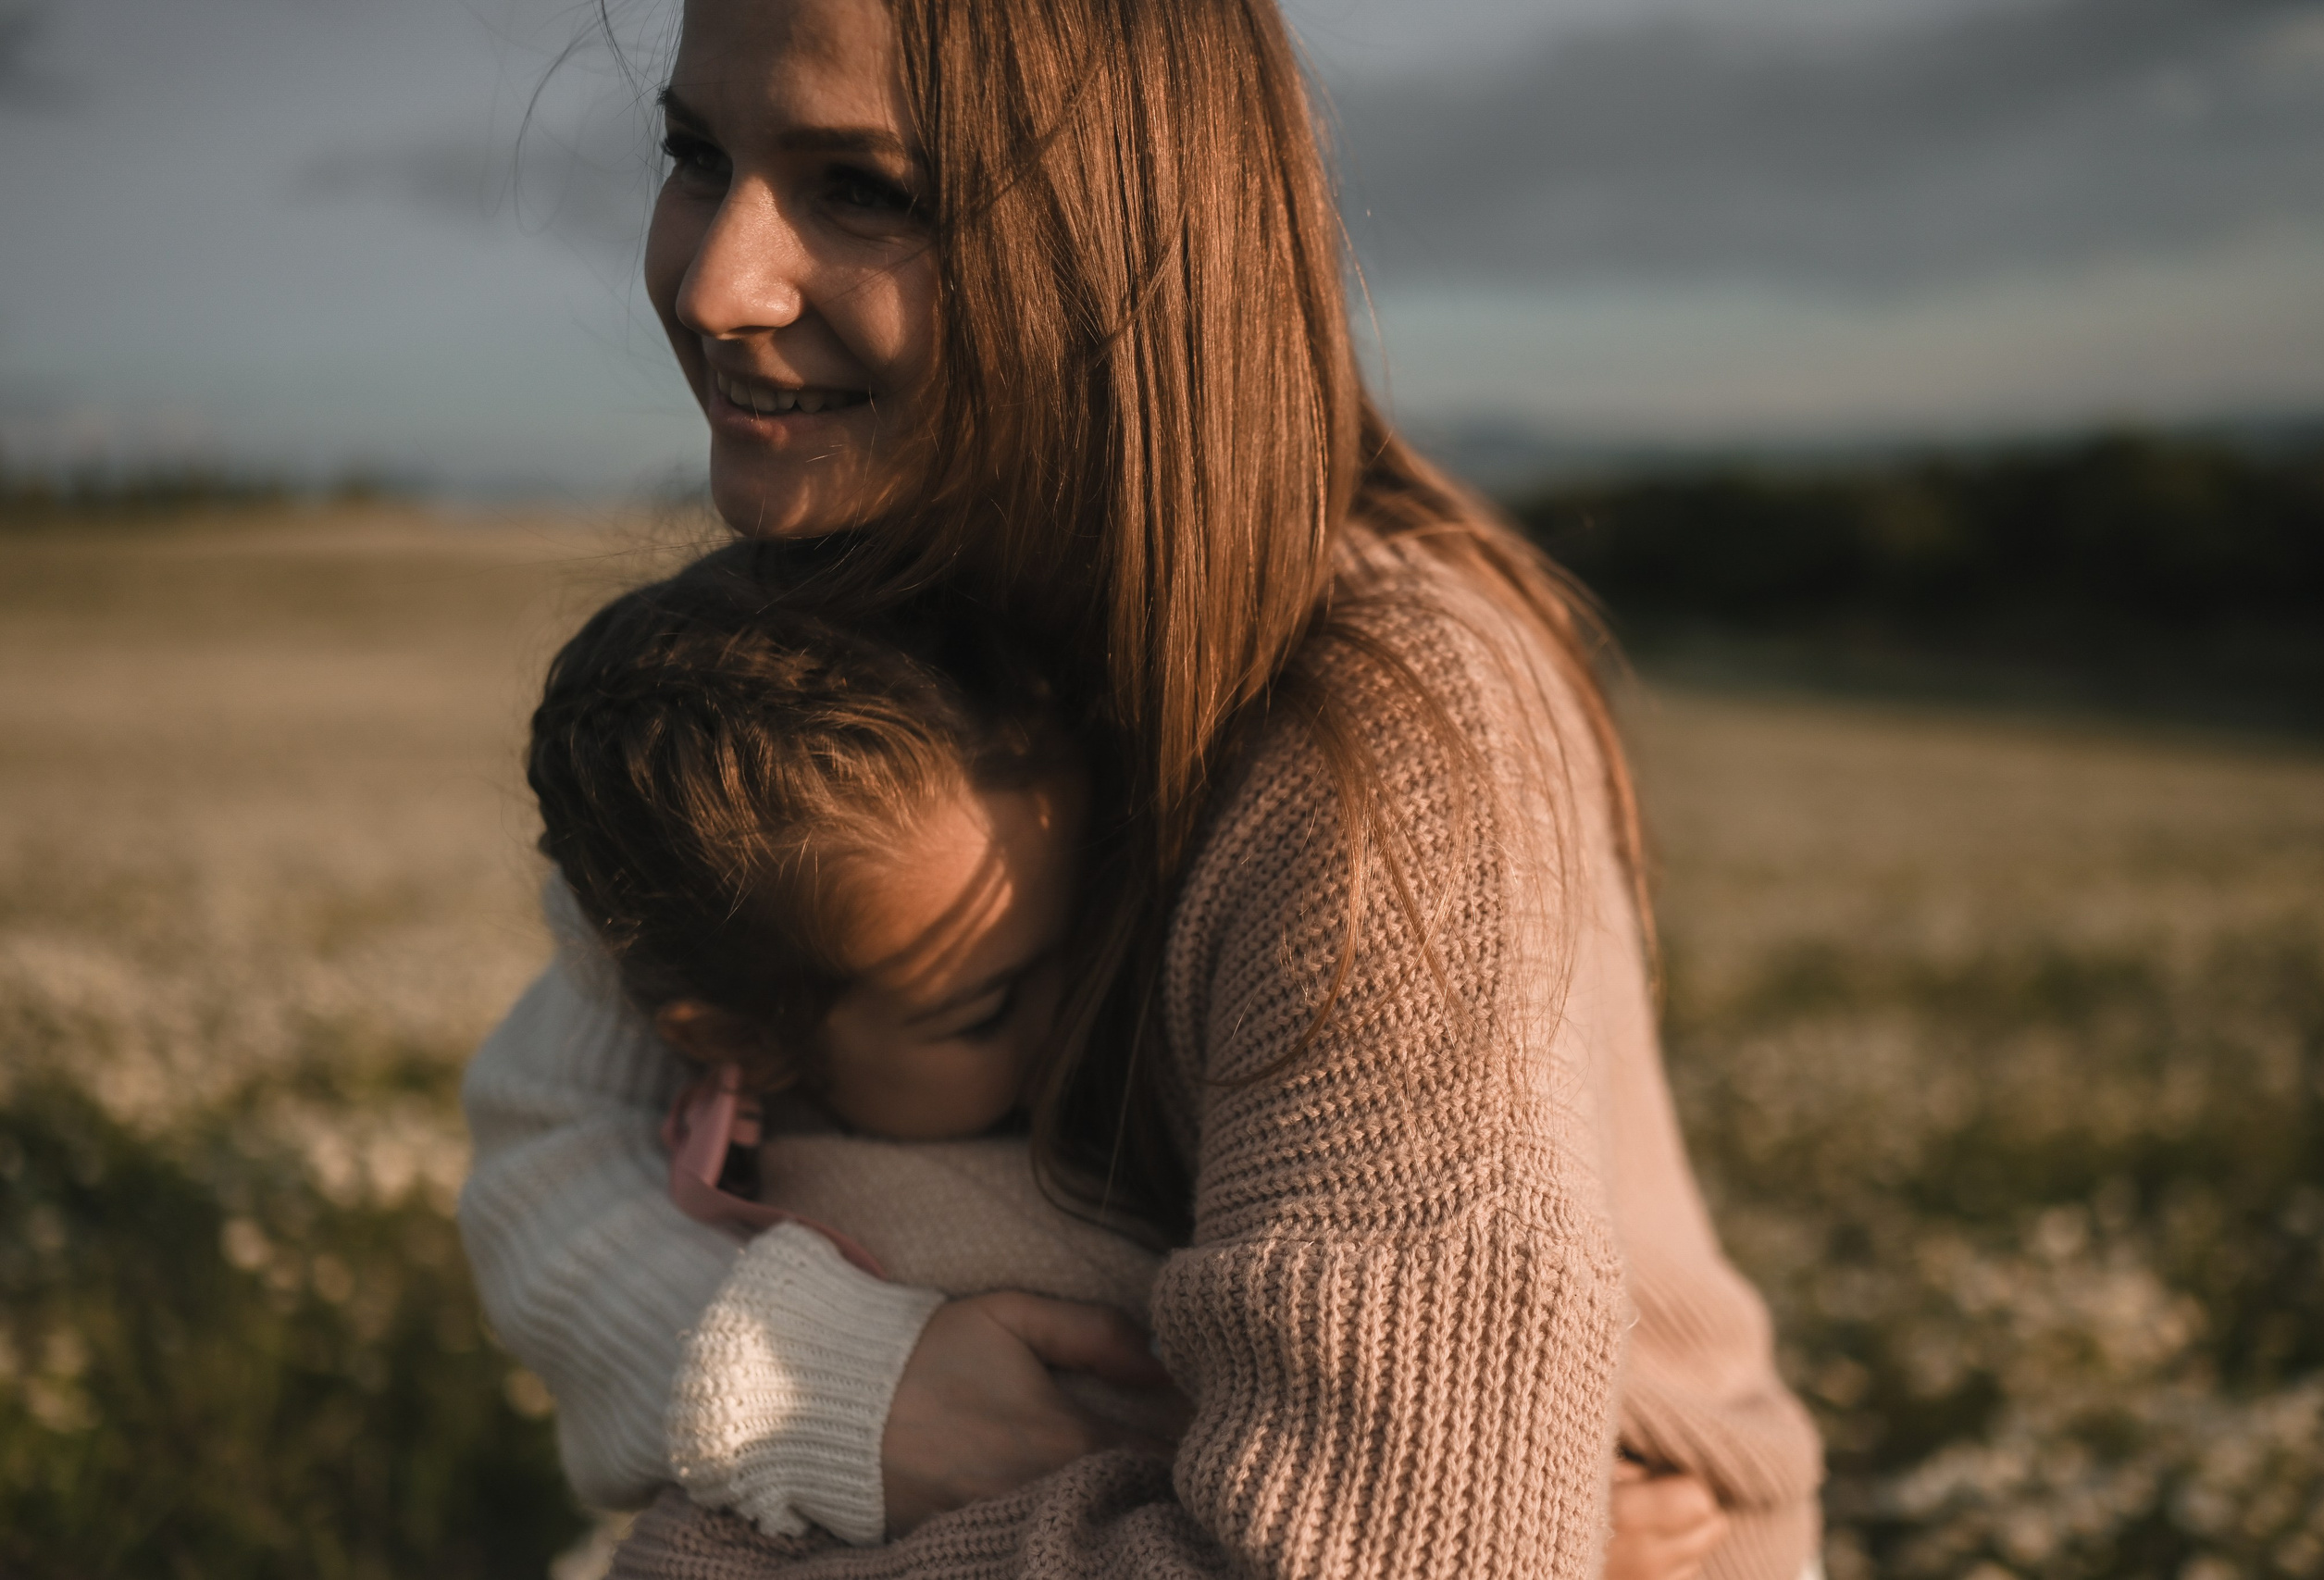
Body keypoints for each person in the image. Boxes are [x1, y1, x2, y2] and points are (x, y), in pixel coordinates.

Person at [457, 0, 1824, 1574]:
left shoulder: (1386, 738)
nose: (714, 283)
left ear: (1116, 236)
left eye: (865, 189)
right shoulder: (790, 660)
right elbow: (557, 1147)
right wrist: (842, 1391)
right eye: (699, 153)